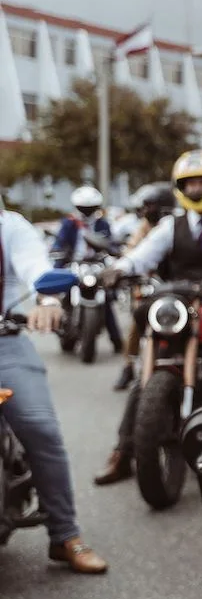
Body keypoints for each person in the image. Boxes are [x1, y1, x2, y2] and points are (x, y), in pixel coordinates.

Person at [94, 149, 202, 485]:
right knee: (147, 369)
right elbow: (142, 256)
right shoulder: (171, 226)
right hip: (175, 301)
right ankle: (123, 452)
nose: (198, 189)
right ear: (180, 187)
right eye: (191, 183)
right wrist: (119, 269)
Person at [0, 197, 108, 572]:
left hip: (5, 342)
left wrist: (46, 297)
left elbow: (35, 265)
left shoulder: (10, 226)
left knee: (39, 427)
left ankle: (64, 535)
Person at [113, 182, 178, 391]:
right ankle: (129, 365)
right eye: (145, 206)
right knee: (137, 322)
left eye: (150, 206)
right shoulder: (143, 228)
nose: (146, 211)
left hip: (178, 285)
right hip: (151, 284)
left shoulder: (176, 225)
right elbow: (133, 252)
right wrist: (124, 269)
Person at [52, 185, 125, 355]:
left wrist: (116, 252)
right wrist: (59, 256)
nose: (86, 211)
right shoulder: (69, 223)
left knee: (106, 297)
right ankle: (63, 326)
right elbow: (59, 243)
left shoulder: (102, 224)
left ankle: (117, 340)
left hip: (96, 266)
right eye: (83, 207)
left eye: (90, 207)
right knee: (63, 291)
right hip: (74, 264)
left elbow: (110, 243)